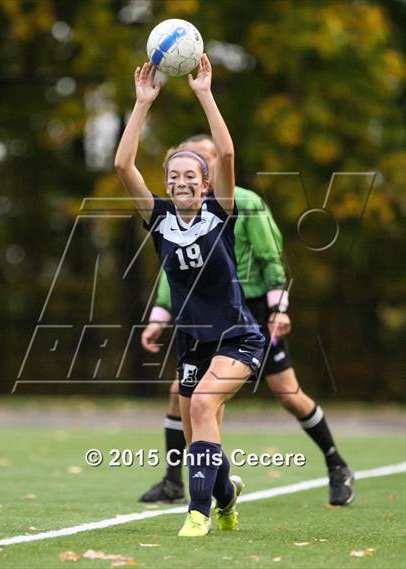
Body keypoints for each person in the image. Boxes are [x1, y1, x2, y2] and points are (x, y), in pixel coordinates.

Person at [139, 134, 355, 507]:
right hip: (206, 318)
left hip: (248, 312)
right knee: (187, 397)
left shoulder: (243, 202)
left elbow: (272, 255)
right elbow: (175, 270)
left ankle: (336, 462)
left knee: (288, 394)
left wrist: (278, 307)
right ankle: (182, 482)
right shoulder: (178, 214)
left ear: (212, 171)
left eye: (204, 161)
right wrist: (160, 314)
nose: (191, 175)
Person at [115, 55, 265, 537]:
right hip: (193, 342)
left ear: (204, 186)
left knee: (200, 406)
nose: (180, 182)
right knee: (197, 424)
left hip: (238, 338)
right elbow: (122, 164)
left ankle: (196, 513)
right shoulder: (158, 219)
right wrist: (142, 104)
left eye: (189, 176)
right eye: (173, 176)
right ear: (166, 185)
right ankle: (225, 496)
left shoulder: (220, 212)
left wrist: (204, 92)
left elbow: (225, 154)